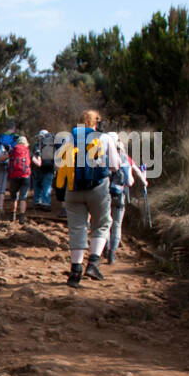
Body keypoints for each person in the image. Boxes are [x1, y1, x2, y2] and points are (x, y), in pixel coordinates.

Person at [54, 108, 120, 288]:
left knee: (77, 228)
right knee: (102, 223)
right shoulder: (104, 138)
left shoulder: (70, 137)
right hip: (98, 189)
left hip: (73, 189)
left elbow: (58, 164)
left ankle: (75, 272)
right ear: (96, 122)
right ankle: (93, 263)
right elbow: (114, 165)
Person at [104, 132, 146, 264]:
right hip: (119, 195)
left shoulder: (100, 156)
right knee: (117, 224)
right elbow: (131, 181)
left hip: (103, 195)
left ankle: (104, 247)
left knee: (104, 224)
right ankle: (112, 253)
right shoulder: (124, 157)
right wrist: (144, 181)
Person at [3, 135, 31, 223]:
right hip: (25, 176)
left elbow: (1, 158)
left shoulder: (13, 150)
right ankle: (22, 218)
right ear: (26, 143)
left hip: (13, 176)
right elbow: (38, 163)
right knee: (23, 197)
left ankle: (13, 215)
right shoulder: (28, 151)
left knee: (14, 197)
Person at [0, 120, 19, 201]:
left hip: (0, 162)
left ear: (6, 128)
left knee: (1, 184)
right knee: (14, 184)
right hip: (12, 164)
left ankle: (0, 206)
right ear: (14, 128)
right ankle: (14, 208)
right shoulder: (17, 138)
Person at [30, 129, 58, 211]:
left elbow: (35, 156)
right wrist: (55, 169)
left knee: (37, 186)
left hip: (37, 169)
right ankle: (46, 203)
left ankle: (37, 201)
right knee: (47, 186)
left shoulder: (36, 145)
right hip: (49, 169)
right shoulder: (52, 146)